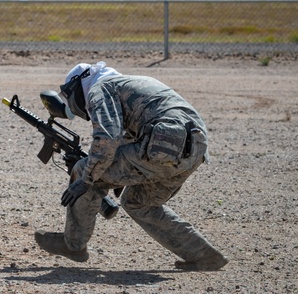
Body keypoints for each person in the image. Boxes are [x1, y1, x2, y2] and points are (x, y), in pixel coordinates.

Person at [34, 61, 228, 271]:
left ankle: (73, 245)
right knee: (139, 202)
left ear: (79, 85)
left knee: (83, 170)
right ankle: (203, 255)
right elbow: (133, 132)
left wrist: (86, 179)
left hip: (163, 142)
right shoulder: (129, 83)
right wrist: (118, 173)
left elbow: (107, 138)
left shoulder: (100, 88)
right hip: (194, 149)